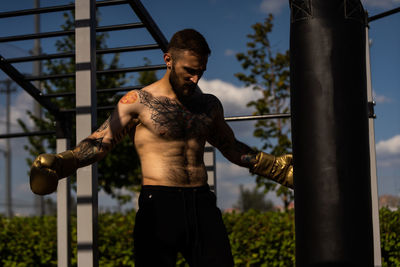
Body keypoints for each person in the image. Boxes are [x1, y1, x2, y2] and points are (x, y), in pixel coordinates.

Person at [30, 29, 293, 267]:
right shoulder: (138, 101)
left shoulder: (209, 105)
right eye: (188, 70)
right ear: (168, 60)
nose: (195, 77)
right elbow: (101, 142)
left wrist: (277, 169)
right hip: (159, 204)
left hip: (202, 202)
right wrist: (63, 162)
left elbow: (230, 146)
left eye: (201, 70)